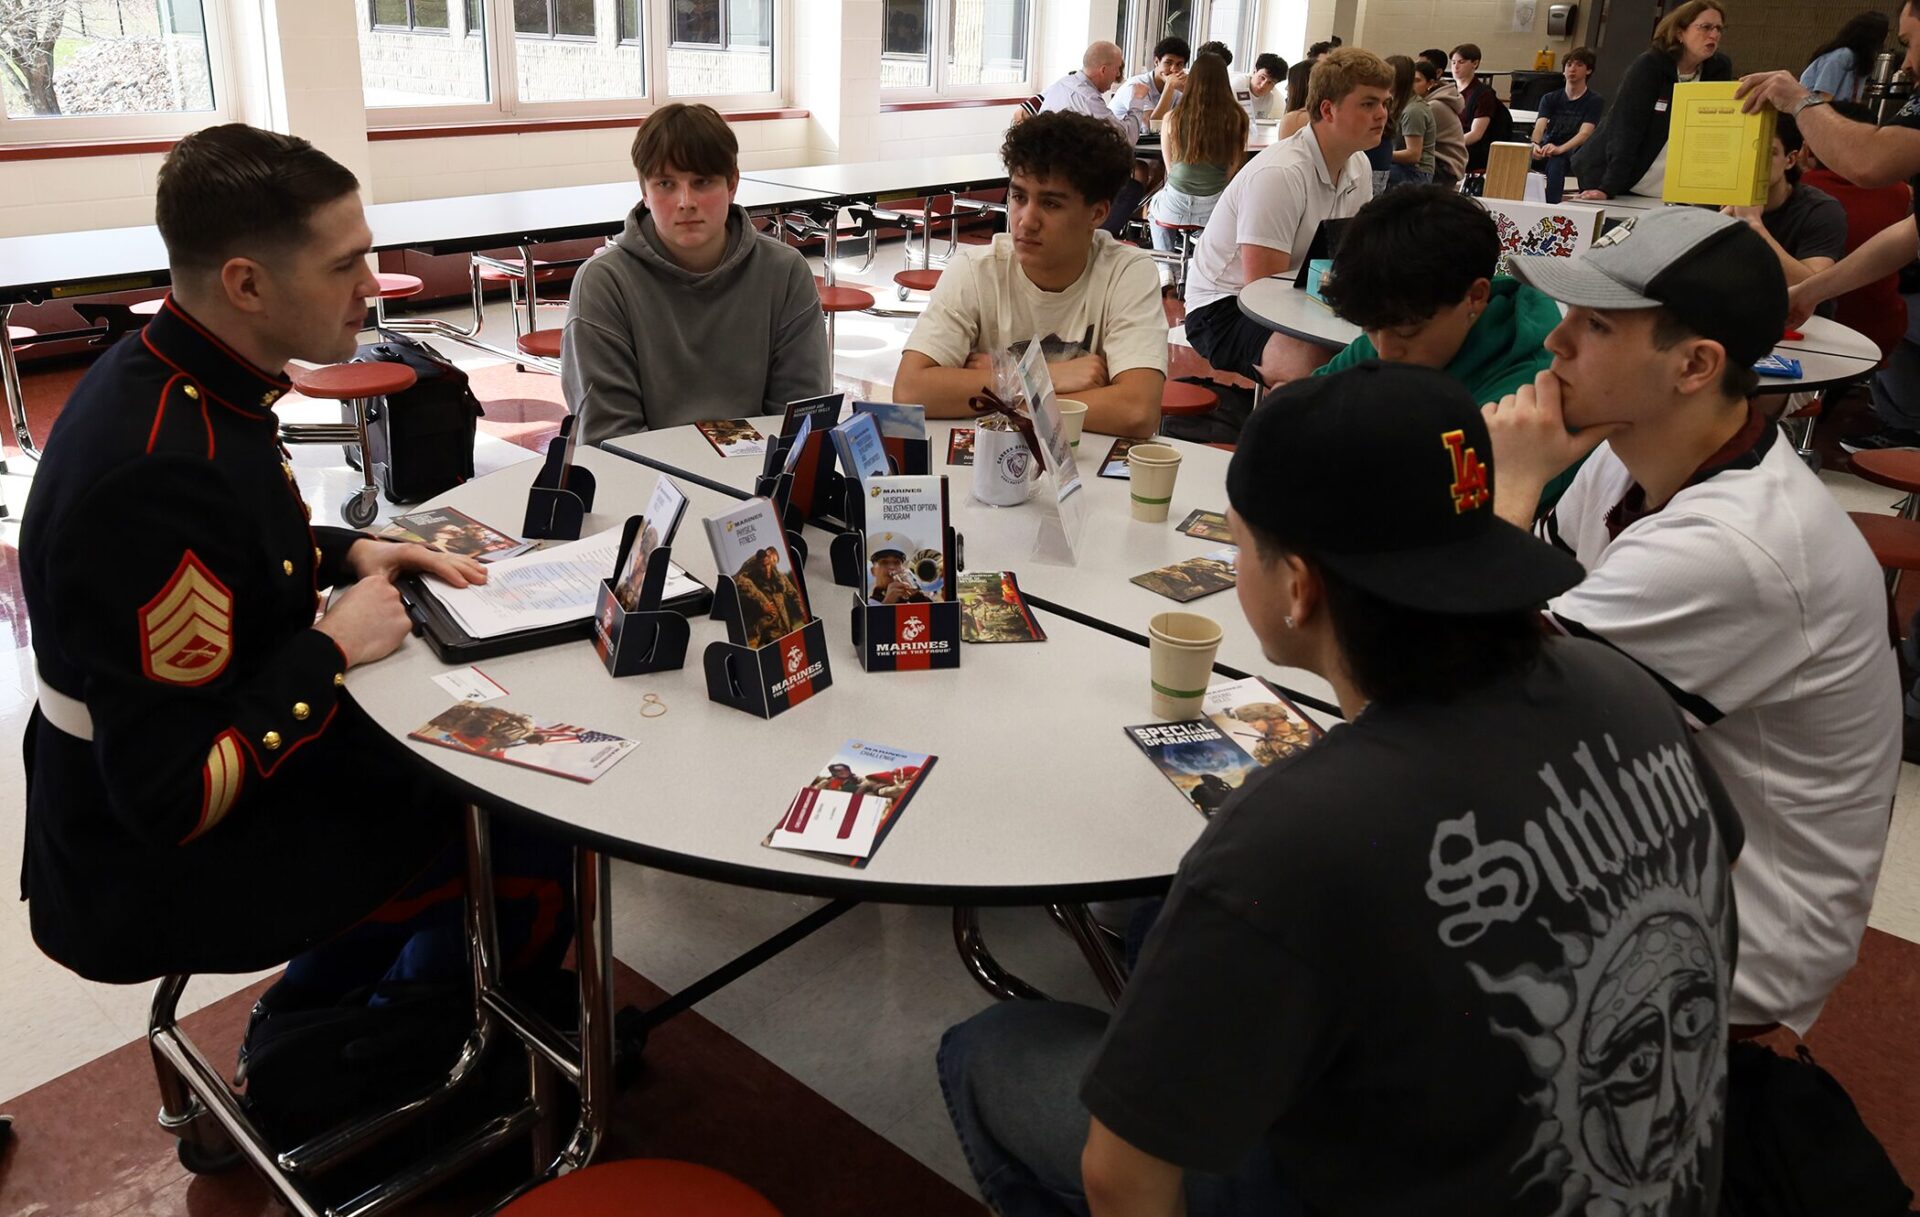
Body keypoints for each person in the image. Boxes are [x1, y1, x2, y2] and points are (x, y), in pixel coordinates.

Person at [938, 362, 1744, 1217]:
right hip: (1651, 1175)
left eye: (1239, 542)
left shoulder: (1298, 831)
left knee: (989, 1051)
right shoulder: (1623, 688)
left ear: (1298, 586)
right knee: (1154, 932)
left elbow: (1121, 1175)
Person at [17, 124, 483, 983]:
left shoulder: (172, 373)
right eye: (345, 265)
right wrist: (332, 644)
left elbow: (230, 544)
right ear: (247, 284)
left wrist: (354, 553)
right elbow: (173, 796)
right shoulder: (156, 468)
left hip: (160, 779)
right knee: (504, 803)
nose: (371, 286)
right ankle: (411, 1041)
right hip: (158, 866)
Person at [1488, 207, 1900, 1036]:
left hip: (1730, 933)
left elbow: (1477, 711)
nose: (1555, 344)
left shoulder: (1738, 546)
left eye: (1597, 323)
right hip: (1652, 827)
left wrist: (1509, 489)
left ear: (1696, 365)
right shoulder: (1629, 449)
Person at [563, 103, 828, 446]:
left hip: (760, 480)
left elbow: (798, 420)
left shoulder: (785, 272)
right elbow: (610, 439)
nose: (685, 201)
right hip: (647, 487)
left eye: (702, 182)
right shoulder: (603, 285)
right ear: (644, 191)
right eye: (665, 184)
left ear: (732, 183)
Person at [892, 112, 1167, 439]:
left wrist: (997, 383)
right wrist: (1043, 377)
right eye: (1019, 197)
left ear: (1097, 213)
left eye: (1051, 204)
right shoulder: (976, 269)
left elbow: (1136, 411)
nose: (1026, 220)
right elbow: (911, 390)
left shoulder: (1127, 273)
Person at [1315, 185, 1568, 509]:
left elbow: (1433, 511)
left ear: (1475, 297)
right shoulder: (1394, 327)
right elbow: (1297, 416)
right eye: (1369, 329)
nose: (1385, 353)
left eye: (1407, 333)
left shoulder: (1529, 395)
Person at [1181, 48, 1391, 388]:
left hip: (1299, 291)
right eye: (1368, 104)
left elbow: (1348, 259)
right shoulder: (1280, 174)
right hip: (1223, 307)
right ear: (1328, 110)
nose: (1382, 114)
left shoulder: (1358, 165)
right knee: (1318, 370)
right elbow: (1262, 293)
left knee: (1389, 348)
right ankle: (1279, 434)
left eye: (1384, 103)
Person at [1573, 0, 1732, 200]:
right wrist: (1608, 187)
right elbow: (1625, 129)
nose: (1714, 35)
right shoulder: (1649, 66)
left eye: (1719, 28)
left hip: (1672, 183)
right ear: (1679, 33)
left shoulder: (1718, 69)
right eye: (1706, 27)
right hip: (1620, 176)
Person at [1722, 113, 1846, 307]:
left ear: (1790, 160)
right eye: (1743, 150)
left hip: (1799, 320)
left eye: (1767, 153)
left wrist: (1754, 226)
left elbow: (1814, 288)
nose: (1752, 163)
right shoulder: (1716, 196)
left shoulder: (1820, 210)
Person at [1149, 53, 1249, 250]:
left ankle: (1166, 268)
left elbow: (1170, 168)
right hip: (1213, 206)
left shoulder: (1172, 117)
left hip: (1174, 202)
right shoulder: (1237, 117)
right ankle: (1200, 262)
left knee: (1153, 209)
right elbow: (1232, 167)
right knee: (1216, 221)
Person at [1529, 46, 1602, 203]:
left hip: (1574, 150)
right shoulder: (1550, 98)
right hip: (1549, 145)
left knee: (1558, 161)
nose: (1572, 69)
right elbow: (1540, 125)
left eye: (1578, 65)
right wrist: (1535, 144)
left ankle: (1550, 205)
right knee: (1519, 155)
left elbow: (1585, 133)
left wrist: (1560, 148)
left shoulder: (1594, 101)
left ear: (1588, 71)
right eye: (1569, 65)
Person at [1040, 41, 1147, 141]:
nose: (1118, 74)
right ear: (1103, 70)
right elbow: (1125, 138)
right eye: (1117, 68)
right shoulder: (1088, 99)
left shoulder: (1060, 84)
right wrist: (1137, 99)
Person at [1450, 43, 1514, 177]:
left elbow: (1476, 134)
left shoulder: (1483, 94)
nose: (1456, 66)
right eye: (1453, 62)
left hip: (1474, 149)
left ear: (1475, 63)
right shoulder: (1450, 91)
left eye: (1461, 62)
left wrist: (1449, 144)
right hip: (1456, 143)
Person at [1800, 10, 1890, 103]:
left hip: (1838, 110)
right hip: (1815, 110)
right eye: (1886, 32)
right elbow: (1824, 97)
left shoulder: (1861, 59)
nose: (1888, 36)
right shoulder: (1842, 55)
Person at [735, 547, 807, 646]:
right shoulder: (751, 578)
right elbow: (739, 581)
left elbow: (795, 595)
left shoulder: (780, 578)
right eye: (771, 560)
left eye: (774, 562)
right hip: (769, 633)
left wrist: (803, 612)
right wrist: (761, 606)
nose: (772, 565)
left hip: (786, 628)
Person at [1114, 36, 1192, 128]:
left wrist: (1189, 92)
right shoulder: (1137, 85)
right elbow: (1152, 126)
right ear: (1156, 61)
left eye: (1179, 64)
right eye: (1168, 63)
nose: (1173, 69)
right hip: (1115, 139)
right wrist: (1169, 86)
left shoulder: (1178, 87)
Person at [1385, 54, 1434, 187]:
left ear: (1401, 79)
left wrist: (1380, 154)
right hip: (1401, 167)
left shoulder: (1413, 110)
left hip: (1416, 173)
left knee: (1368, 172)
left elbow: (1413, 155)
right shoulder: (1393, 103)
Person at [1418, 57, 1468, 187]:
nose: (1411, 86)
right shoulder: (1426, 103)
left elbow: (1405, 144)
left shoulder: (1433, 106)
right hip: (1440, 162)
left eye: (1417, 81)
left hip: (1445, 167)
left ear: (1430, 83)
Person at [1231, 52, 1288, 119]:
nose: (1263, 85)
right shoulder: (1238, 85)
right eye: (1262, 77)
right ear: (1255, 71)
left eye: (1270, 83)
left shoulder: (1270, 99)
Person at [1275, 60, 1315, 138]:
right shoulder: (1329, 116)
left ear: (1299, 87)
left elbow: (1284, 149)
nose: (1286, 88)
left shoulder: (1293, 120)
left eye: (1289, 83)